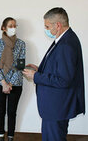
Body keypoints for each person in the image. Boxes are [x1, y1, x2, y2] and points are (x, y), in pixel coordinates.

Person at [23, 7, 85, 141]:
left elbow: (63, 80)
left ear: (57, 25)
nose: (46, 30)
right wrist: (39, 69)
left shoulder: (66, 44)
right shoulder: (65, 40)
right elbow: (61, 70)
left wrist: (36, 76)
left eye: (47, 26)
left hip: (57, 107)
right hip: (56, 106)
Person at [0, 17, 26, 141]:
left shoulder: (21, 44)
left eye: (15, 26)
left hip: (15, 84)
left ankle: (11, 136)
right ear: (3, 28)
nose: (13, 28)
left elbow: (20, 66)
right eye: (11, 26)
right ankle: (0, 136)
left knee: (12, 112)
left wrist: (10, 83)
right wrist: (3, 83)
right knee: (0, 111)